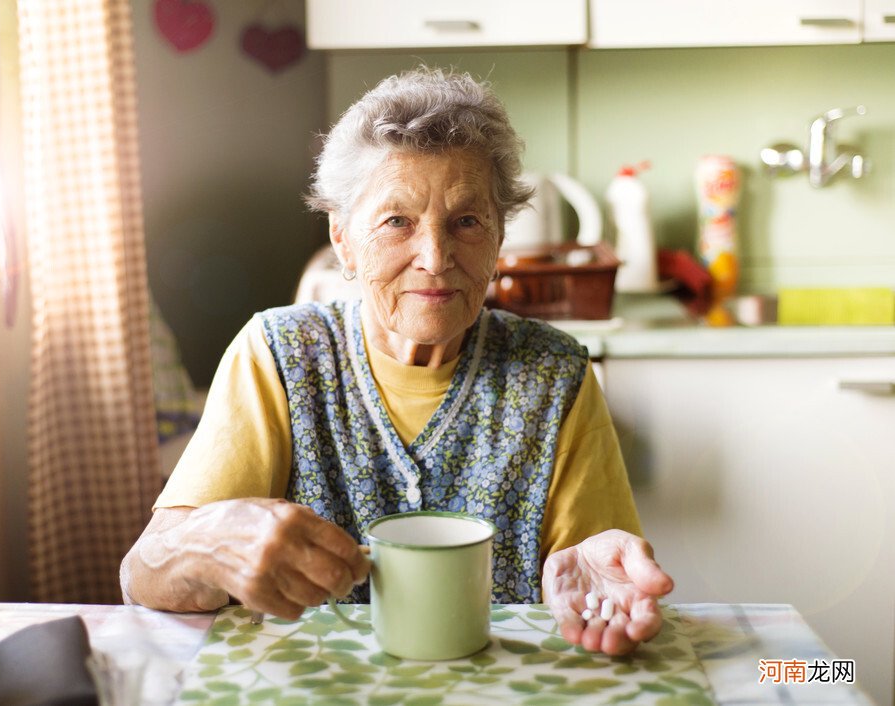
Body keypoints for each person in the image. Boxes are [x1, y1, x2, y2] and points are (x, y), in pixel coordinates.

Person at [121, 67, 673, 656]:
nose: (435, 258)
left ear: (499, 237)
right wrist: (206, 545)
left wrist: (602, 586)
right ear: (343, 240)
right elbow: (143, 576)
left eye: (466, 221)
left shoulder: (554, 373)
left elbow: (594, 572)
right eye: (397, 222)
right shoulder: (279, 356)